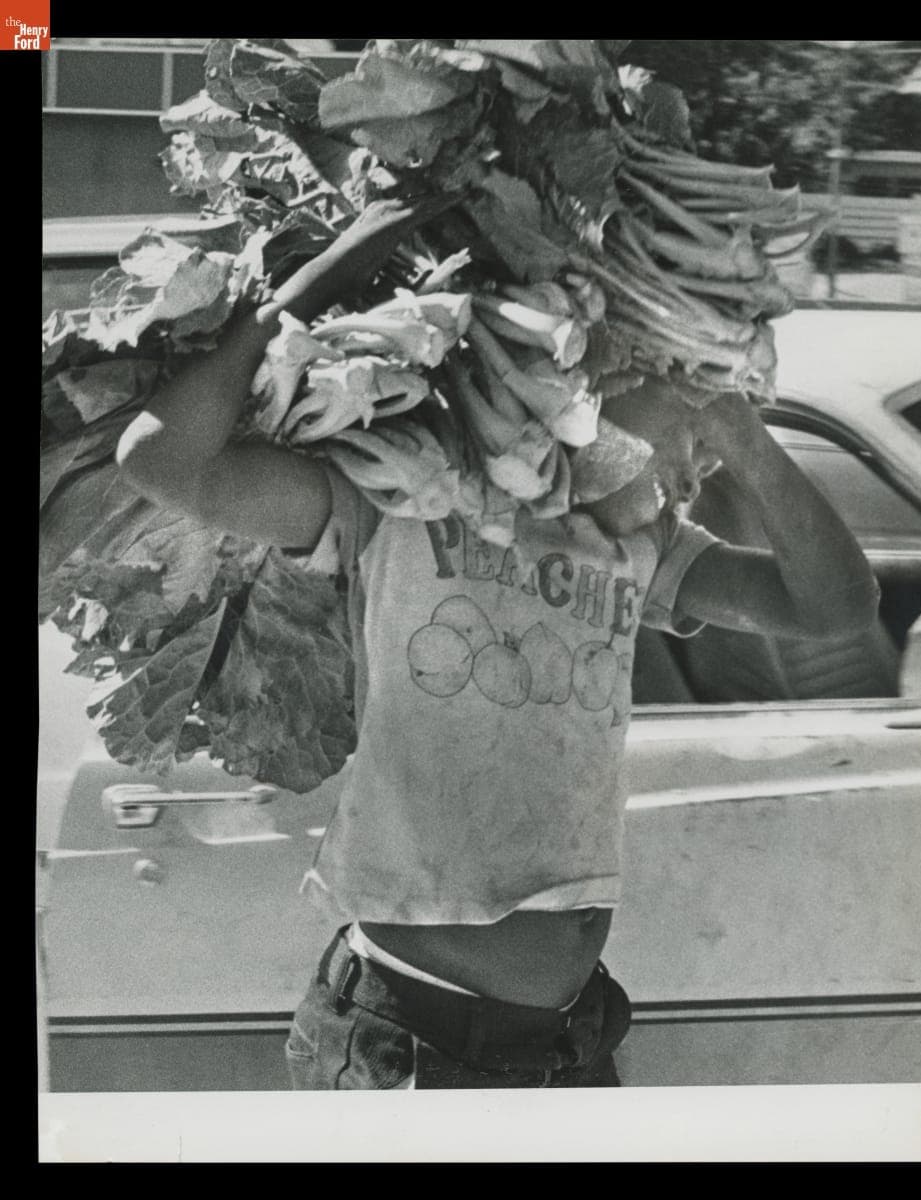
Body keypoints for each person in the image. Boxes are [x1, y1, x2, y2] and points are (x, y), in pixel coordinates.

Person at [116, 196, 880, 1089]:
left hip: (566, 1034)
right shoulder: (394, 497)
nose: (704, 456)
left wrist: (746, 441)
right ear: (597, 370)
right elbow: (163, 463)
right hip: (412, 1036)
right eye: (693, 400)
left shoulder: (645, 546)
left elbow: (833, 607)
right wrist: (325, 274)